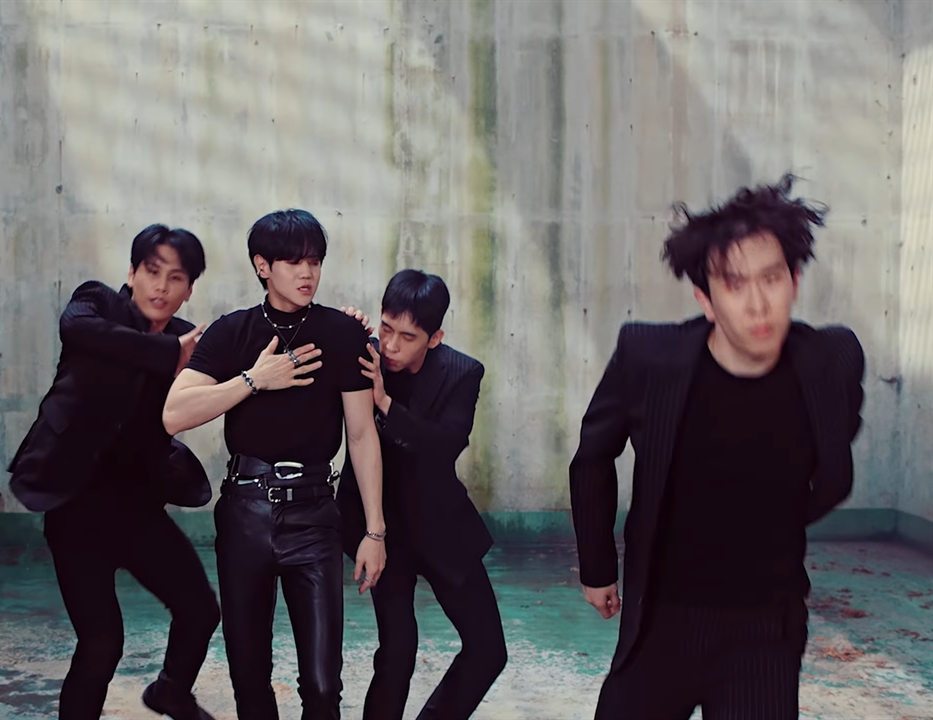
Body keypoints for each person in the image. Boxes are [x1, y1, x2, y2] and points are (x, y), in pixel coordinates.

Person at [569, 174, 865, 719]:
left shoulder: (833, 360)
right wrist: (597, 566)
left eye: (771, 278)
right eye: (734, 285)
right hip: (661, 620)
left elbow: (835, 461)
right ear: (705, 300)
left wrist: (775, 518)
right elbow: (592, 457)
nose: (758, 304)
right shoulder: (648, 357)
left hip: (765, 628)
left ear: (795, 281)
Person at [162, 208, 387, 720]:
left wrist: (375, 531)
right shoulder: (232, 332)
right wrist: (253, 380)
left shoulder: (342, 333)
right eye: (293, 262)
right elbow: (174, 413)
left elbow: (361, 434)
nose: (307, 273)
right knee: (249, 678)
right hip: (245, 513)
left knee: (323, 686)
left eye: (315, 261)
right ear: (262, 266)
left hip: (315, 515)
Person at [8, 224, 220, 720]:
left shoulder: (188, 341)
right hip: (75, 507)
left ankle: (170, 691)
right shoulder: (97, 304)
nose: (161, 287)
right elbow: (79, 331)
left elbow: (242, 356)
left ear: (189, 289)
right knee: (102, 642)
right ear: (131, 272)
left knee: (200, 610)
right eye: (152, 272)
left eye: (176, 278)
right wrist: (168, 353)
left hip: (137, 508)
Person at [337, 269, 506, 720]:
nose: (391, 346)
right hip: (380, 528)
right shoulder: (363, 356)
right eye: (386, 329)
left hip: (440, 525)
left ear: (434, 338)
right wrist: (339, 328)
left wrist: (385, 403)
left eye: (407, 337)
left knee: (488, 649)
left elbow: (444, 446)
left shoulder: (462, 372)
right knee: (397, 652)